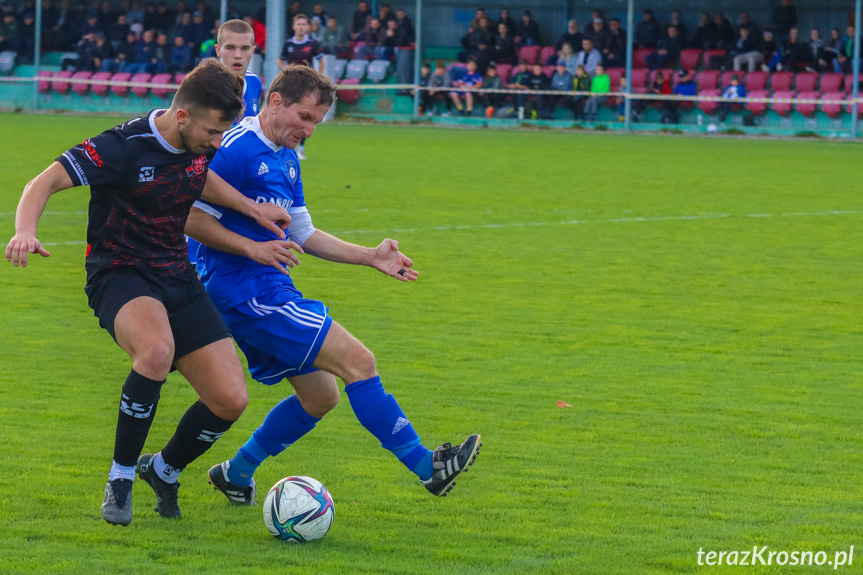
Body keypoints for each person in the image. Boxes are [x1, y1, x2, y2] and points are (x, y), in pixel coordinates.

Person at [4, 60, 292, 527]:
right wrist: (24, 230)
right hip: (119, 275)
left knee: (230, 400)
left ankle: (162, 470)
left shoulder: (198, 141)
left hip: (176, 275)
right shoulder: (122, 146)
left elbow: (199, 174)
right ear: (182, 116)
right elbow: (45, 181)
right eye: (214, 132)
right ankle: (120, 477)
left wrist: (249, 207)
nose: (218, 143)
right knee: (156, 351)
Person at [182, 65, 482, 504]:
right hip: (245, 292)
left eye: (316, 124)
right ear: (276, 101)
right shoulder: (234, 149)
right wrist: (252, 249)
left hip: (266, 287)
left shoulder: (285, 156)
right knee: (359, 361)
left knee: (320, 396)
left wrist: (370, 257)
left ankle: (235, 472)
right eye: (304, 117)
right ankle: (427, 466)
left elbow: (302, 232)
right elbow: (188, 218)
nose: (308, 130)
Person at [279, 13, 324, 160]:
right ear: (294, 27)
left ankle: (302, 149)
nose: (301, 27)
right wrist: (286, 70)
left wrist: (318, 78)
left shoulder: (313, 44)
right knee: (287, 115)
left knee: (305, 116)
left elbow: (321, 61)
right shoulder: (288, 44)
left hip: (307, 85)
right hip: (291, 85)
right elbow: (280, 60)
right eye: (299, 24)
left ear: (308, 27)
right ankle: (283, 146)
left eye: (304, 24)